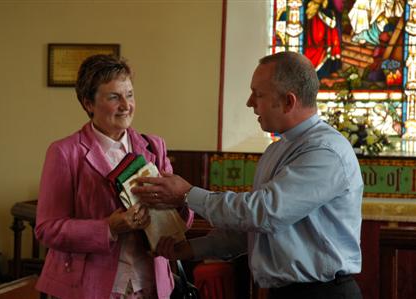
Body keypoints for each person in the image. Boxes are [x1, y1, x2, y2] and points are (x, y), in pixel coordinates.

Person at [132, 52, 364, 299]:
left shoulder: (325, 151)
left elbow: (265, 212)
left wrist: (188, 195)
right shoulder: (277, 150)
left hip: (321, 293)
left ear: (288, 101)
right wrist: (189, 248)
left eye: (259, 94)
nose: (249, 102)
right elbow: (252, 229)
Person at [35, 54, 193, 299]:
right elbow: (48, 229)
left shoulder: (154, 147)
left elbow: (181, 221)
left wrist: (178, 202)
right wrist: (108, 227)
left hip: (150, 285)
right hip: (91, 288)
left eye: (129, 95)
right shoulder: (65, 153)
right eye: (113, 97)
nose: (126, 105)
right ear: (89, 103)